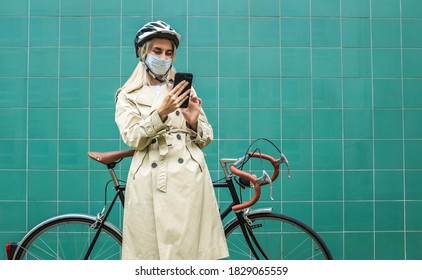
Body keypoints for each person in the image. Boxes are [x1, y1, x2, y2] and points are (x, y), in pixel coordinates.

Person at [114, 20, 229, 260]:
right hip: (151, 178)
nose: (163, 57)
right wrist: (161, 113)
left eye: (168, 53)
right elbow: (132, 138)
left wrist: (193, 122)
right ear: (143, 53)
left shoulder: (184, 88)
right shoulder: (128, 95)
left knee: (190, 257)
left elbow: (207, 137)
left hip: (189, 178)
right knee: (152, 257)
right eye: (157, 51)